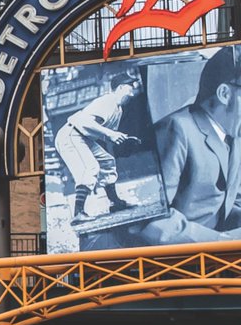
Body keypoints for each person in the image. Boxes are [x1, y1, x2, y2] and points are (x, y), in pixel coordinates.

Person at [139, 45, 241, 244]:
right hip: (176, 262)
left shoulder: (234, 136)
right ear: (224, 94)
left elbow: (232, 201)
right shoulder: (175, 129)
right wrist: (221, 241)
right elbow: (151, 218)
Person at [54, 72, 142, 224]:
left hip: (83, 136)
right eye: (130, 86)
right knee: (90, 167)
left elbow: (103, 133)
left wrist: (122, 138)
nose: (132, 89)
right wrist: (111, 134)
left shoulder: (118, 109)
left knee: (107, 161)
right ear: (120, 87)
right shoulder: (108, 101)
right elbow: (85, 122)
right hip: (71, 133)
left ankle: (115, 203)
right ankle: (78, 213)